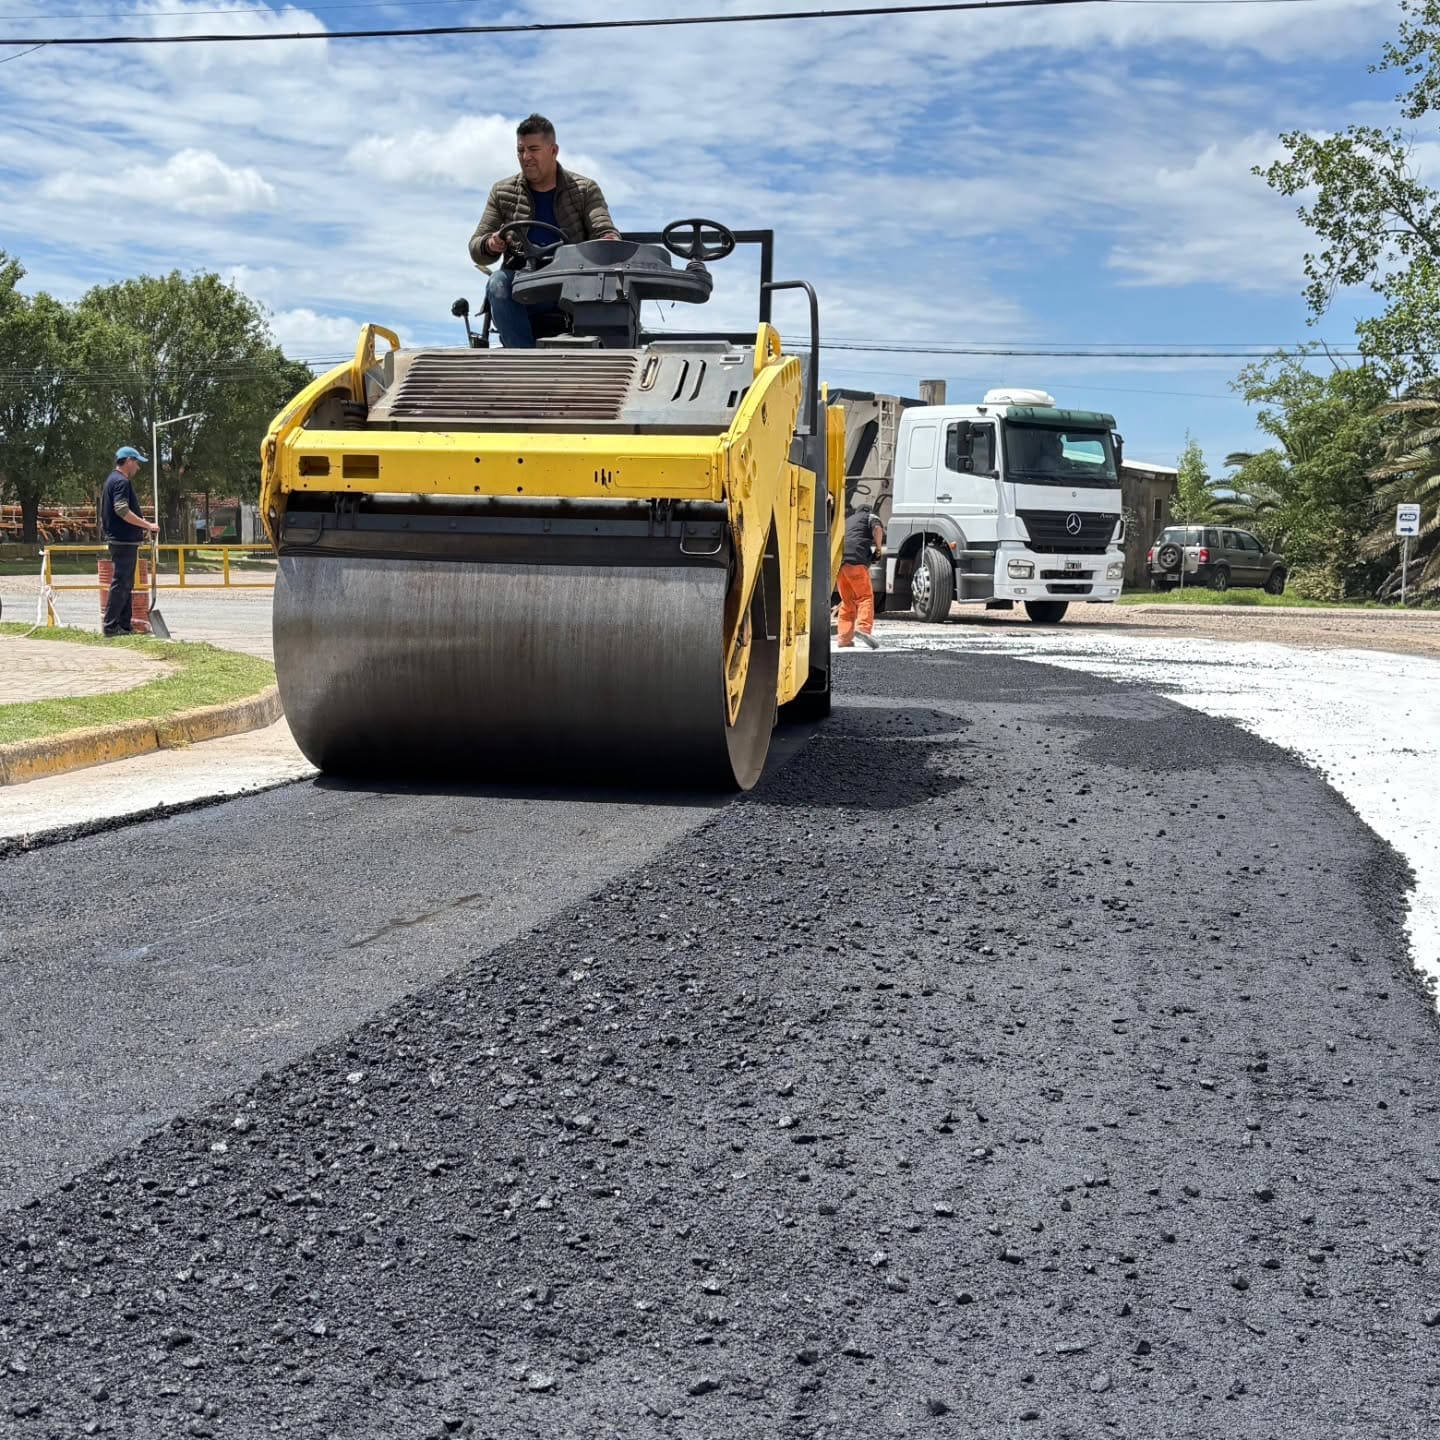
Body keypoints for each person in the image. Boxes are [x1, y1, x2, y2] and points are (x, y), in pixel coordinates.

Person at [468, 113, 619, 349]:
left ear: (553, 150)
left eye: (533, 149)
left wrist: (608, 239)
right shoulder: (502, 192)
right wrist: (490, 243)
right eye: (521, 150)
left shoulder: (584, 190)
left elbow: (603, 229)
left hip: (571, 288)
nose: (526, 157)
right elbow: (477, 246)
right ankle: (523, 362)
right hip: (523, 286)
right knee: (498, 283)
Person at [99, 445, 158, 637]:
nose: (138, 468)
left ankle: (124, 625)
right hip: (123, 540)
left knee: (126, 584)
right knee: (121, 583)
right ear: (129, 461)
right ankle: (110, 626)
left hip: (123, 540)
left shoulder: (112, 480)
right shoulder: (121, 482)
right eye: (137, 463)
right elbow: (122, 510)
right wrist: (147, 525)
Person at [838, 505, 884, 649]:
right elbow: (877, 529)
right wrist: (878, 548)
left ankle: (844, 639)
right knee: (865, 597)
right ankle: (863, 628)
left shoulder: (847, 520)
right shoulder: (871, 517)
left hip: (840, 564)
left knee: (847, 601)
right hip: (856, 561)